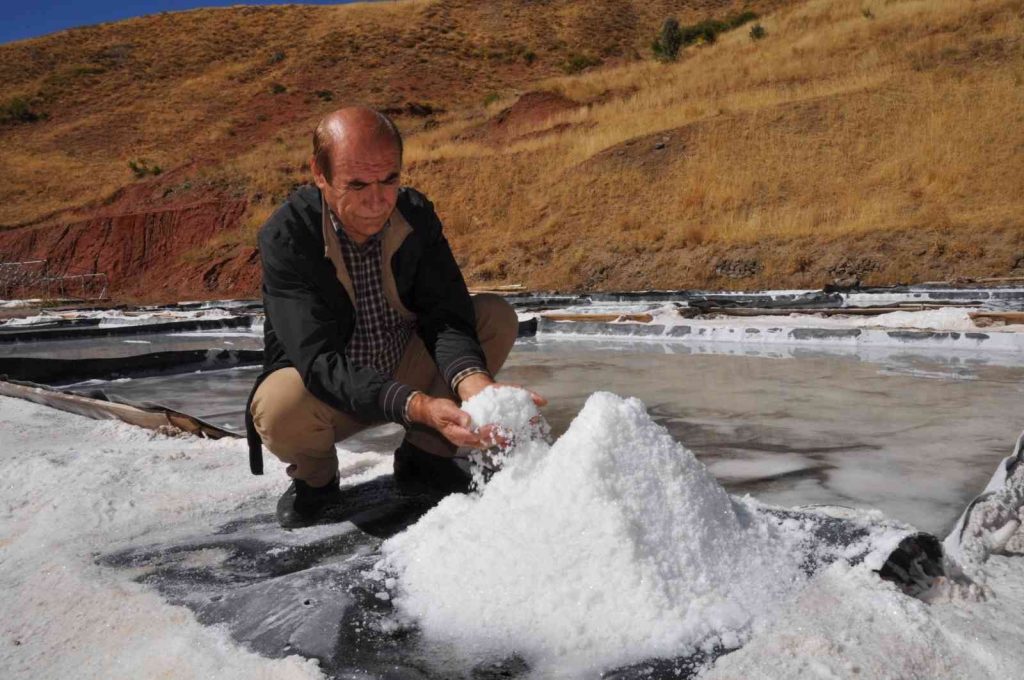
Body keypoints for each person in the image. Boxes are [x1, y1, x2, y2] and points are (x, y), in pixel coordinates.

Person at [244, 106, 544, 528]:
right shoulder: (289, 236)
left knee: (493, 315)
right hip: (332, 394)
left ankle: (425, 458)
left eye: (390, 179)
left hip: (403, 366)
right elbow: (318, 361)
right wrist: (417, 405)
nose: (377, 200)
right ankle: (317, 482)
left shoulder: (415, 216)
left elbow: (446, 313)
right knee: (279, 405)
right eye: (357, 184)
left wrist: (475, 384)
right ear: (320, 174)